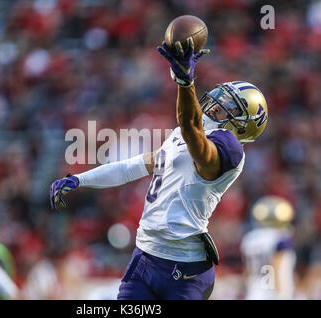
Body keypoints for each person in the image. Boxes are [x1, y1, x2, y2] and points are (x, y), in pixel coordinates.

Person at [50, 37, 269, 300]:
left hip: (184, 270)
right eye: (222, 96)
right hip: (144, 257)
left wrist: (184, 83)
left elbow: (193, 134)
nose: (218, 102)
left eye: (231, 105)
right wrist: (80, 179)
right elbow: (130, 168)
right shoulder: (181, 134)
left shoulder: (229, 147)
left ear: (245, 124)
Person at [240, 196, 296, 299]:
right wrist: (281, 294)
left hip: (254, 291)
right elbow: (275, 266)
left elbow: (247, 272)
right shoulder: (281, 237)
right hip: (272, 291)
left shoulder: (249, 238)